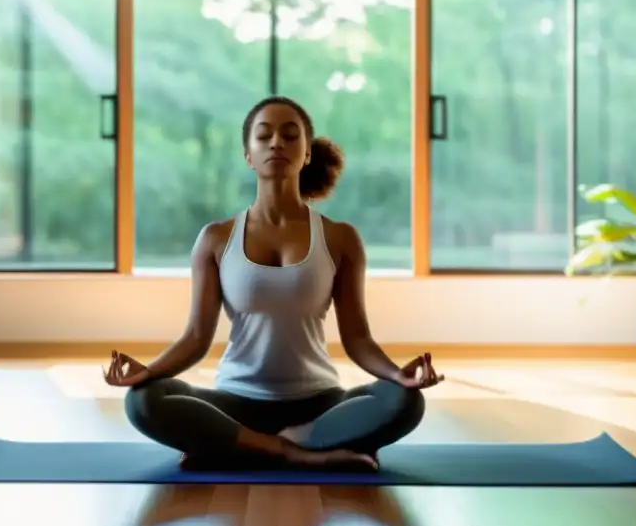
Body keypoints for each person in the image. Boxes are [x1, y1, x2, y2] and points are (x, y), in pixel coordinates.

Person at [104, 95, 443, 471]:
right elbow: (197, 337)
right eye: (263, 136)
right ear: (248, 155)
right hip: (236, 403)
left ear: (307, 154)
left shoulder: (340, 238)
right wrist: (148, 372)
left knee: (405, 401)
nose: (276, 143)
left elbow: (358, 339)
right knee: (143, 400)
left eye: (289, 135)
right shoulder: (216, 239)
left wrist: (398, 375)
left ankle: (251, 445)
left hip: (318, 404)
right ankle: (290, 450)